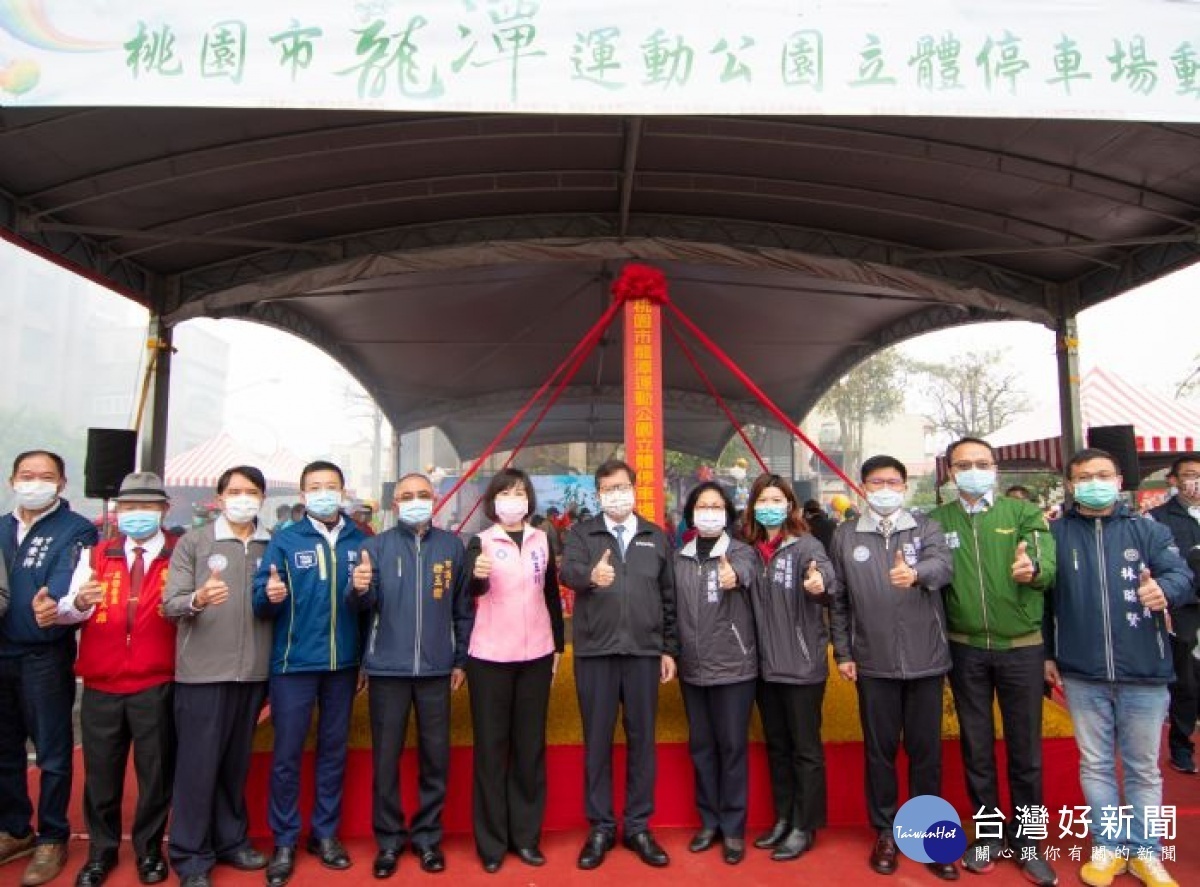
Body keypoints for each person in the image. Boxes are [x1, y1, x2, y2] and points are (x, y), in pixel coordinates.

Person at [1045, 448, 1194, 887]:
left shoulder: (1148, 530)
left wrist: (1163, 590)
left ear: (1118, 480)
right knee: (1095, 764)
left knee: (1143, 767)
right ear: (1071, 485)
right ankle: (1109, 847)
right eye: (1085, 475)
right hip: (1081, 671)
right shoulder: (1054, 535)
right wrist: (1048, 654)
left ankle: (1146, 852)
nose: (1095, 481)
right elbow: (1044, 600)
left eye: (1104, 474)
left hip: (1145, 669)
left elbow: (1181, 576)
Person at [929, 438, 1057, 886]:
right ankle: (988, 835)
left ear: (995, 469)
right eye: (964, 465)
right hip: (964, 649)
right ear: (949, 472)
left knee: (1026, 752)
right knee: (977, 749)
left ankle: (1029, 842)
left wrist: (1033, 569)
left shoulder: (1020, 513)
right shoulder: (936, 520)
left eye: (982, 463)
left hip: (1021, 647)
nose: (973, 471)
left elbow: (1044, 560)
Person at [828, 456, 956, 879]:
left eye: (893, 482)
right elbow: (839, 599)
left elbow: (944, 566)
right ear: (862, 487)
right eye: (877, 481)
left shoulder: (925, 526)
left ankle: (929, 835)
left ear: (905, 486)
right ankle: (885, 831)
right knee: (879, 753)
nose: (885, 488)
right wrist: (844, 653)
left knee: (926, 753)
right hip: (874, 662)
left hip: (925, 660)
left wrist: (917, 573)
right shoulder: (846, 534)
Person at [348, 473, 473, 878]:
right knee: (386, 760)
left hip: (437, 670)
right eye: (407, 496)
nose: (415, 501)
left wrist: (459, 660)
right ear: (394, 503)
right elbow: (360, 606)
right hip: (387, 670)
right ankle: (388, 841)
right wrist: (358, 587)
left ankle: (427, 839)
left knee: (435, 760)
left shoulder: (451, 547)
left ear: (434, 499)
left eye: (422, 495)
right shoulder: (375, 547)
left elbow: (462, 609)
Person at [57, 472, 176, 887]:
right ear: (117, 512)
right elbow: (68, 609)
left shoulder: (179, 554)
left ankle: (149, 851)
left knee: (155, 774)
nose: (136, 515)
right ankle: (101, 852)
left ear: (164, 510)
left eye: (146, 507)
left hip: (157, 682)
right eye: (128, 507)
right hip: (102, 683)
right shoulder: (97, 554)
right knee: (101, 775)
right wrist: (77, 603)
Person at [252, 461, 366, 887]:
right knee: (286, 755)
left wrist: (363, 590)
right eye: (315, 487)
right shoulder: (283, 541)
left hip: (342, 665)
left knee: (334, 752)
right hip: (293, 664)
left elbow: (368, 605)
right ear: (302, 496)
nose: (323, 493)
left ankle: (325, 834)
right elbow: (261, 603)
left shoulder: (360, 539)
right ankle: (284, 840)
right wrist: (269, 595)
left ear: (343, 491)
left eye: (330, 486)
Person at [560, 459, 678, 870]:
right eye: (608, 488)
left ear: (635, 488)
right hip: (596, 653)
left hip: (644, 653)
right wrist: (591, 576)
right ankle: (601, 827)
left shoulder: (655, 537)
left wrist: (668, 649)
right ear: (598, 494)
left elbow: (669, 599)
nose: (617, 494)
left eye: (622, 486)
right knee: (597, 742)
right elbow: (568, 572)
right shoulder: (581, 533)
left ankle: (638, 826)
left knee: (642, 741)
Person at [163, 466, 273, 887]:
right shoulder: (195, 542)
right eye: (235, 491)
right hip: (203, 673)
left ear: (262, 498)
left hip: (253, 672)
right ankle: (191, 855)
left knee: (233, 764)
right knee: (197, 766)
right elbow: (170, 604)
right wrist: (197, 598)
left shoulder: (272, 543)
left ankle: (231, 840)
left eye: (251, 492)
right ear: (220, 496)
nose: (243, 498)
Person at [0, 450, 98, 887]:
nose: (34, 483)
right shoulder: (1, 527)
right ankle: (15, 828)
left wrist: (55, 609)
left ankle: (52, 835)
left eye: (45, 476)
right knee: (4, 749)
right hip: (0, 653)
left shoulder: (74, 528)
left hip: (44, 655)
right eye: (26, 475)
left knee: (54, 752)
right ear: (11, 480)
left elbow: (70, 586)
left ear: (61, 483)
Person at [461, 469, 564, 873]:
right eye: (505, 492)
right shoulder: (480, 542)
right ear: (493, 501)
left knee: (528, 749)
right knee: (491, 750)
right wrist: (476, 576)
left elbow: (551, 593)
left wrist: (558, 643)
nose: (513, 499)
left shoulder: (542, 539)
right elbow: (472, 590)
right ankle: (491, 843)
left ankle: (525, 837)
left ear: (529, 500)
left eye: (519, 492)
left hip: (537, 655)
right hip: (489, 658)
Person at [742, 473, 836, 863]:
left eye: (777, 499)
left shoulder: (806, 545)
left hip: (801, 665)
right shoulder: (748, 548)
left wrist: (821, 585)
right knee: (778, 748)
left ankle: (805, 824)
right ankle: (783, 816)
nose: (770, 506)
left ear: (790, 505)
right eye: (763, 499)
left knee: (805, 749)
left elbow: (828, 580)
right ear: (752, 507)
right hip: (764, 667)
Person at [673, 482, 758, 865]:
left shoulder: (742, 552)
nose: (709, 512)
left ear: (727, 512)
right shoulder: (680, 558)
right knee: (702, 748)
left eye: (716, 506)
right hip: (693, 668)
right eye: (702, 506)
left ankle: (734, 828)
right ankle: (709, 822)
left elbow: (748, 573)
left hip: (734, 668)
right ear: (691, 514)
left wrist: (734, 577)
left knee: (732, 747)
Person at [1148, 453, 1200, 775]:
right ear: (1174, 479)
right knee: (1186, 683)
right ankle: (1181, 747)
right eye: (1191, 474)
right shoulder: (1158, 518)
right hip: (1184, 609)